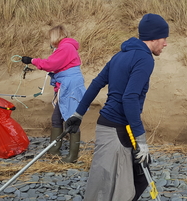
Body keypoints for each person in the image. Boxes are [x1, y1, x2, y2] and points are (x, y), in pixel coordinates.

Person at [64, 13, 169, 201]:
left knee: (136, 177)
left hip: (111, 126)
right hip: (117, 129)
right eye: (164, 38)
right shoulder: (145, 59)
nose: (165, 44)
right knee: (112, 185)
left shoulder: (120, 55)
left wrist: (78, 114)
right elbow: (129, 98)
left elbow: (96, 84)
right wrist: (141, 139)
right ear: (154, 37)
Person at [21, 25, 86, 163]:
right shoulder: (65, 47)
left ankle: (72, 157)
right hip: (65, 85)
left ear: (56, 36)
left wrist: (32, 60)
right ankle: (54, 151)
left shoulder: (66, 47)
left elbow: (51, 64)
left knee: (70, 119)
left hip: (70, 87)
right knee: (57, 118)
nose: (49, 40)